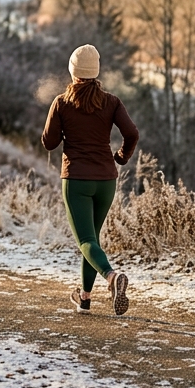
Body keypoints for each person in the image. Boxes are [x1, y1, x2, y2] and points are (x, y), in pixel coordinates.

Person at [41, 44, 139, 316]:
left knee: (85, 240)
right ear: (95, 73)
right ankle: (84, 298)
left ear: (73, 72)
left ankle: (111, 277)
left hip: (77, 180)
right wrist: (121, 157)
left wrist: (66, 132)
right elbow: (132, 133)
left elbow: (49, 143)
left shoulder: (62, 102)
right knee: (92, 239)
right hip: (106, 180)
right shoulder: (111, 102)